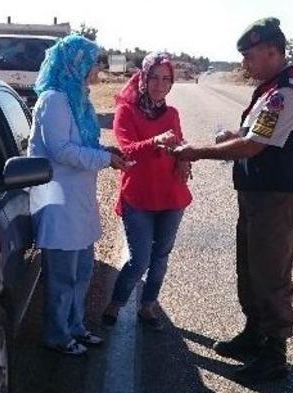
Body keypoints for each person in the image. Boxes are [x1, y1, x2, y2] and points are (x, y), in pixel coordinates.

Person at [170, 17, 293, 383]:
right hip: (258, 196)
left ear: (273, 51)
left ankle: (274, 353)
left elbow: (253, 146)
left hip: (276, 199)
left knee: (270, 274)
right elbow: (253, 134)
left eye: (250, 55)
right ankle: (255, 333)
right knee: (250, 269)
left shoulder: (286, 93)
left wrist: (198, 151)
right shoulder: (270, 89)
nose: (244, 63)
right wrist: (229, 136)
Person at [28, 34, 130, 356]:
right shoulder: (54, 99)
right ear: (76, 64)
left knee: (83, 271)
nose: (97, 68)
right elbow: (60, 150)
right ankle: (57, 335)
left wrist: (105, 150)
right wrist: (104, 159)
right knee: (62, 278)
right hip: (58, 203)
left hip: (80, 202)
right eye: (92, 62)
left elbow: (83, 145)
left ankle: (76, 326)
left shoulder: (79, 99)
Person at [101, 52, 192, 331]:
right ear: (143, 77)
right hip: (138, 197)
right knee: (139, 260)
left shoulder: (172, 113)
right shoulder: (126, 111)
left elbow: (177, 144)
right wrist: (156, 141)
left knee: (161, 256)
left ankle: (148, 304)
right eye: (154, 77)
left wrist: (184, 157)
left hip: (171, 196)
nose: (160, 84)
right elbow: (126, 149)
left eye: (166, 79)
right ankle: (115, 303)